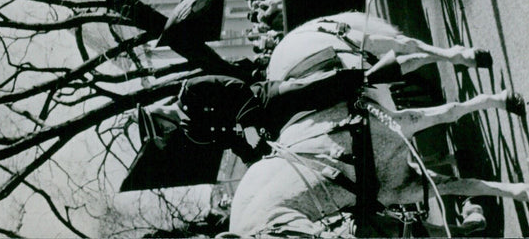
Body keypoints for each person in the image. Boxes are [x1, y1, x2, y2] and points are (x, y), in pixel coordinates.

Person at [144, 60, 397, 165]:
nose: (166, 133)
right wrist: (250, 159)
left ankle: (366, 75)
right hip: (266, 135)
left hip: (265, 102)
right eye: (162, 135)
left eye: (160, 128)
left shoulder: (192, 90)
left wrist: (250, 129)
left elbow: (237, 88)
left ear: (159, 113)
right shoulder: (193, 134)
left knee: (303, 90)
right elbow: (231, 141)